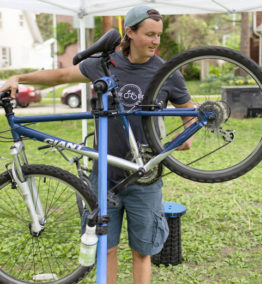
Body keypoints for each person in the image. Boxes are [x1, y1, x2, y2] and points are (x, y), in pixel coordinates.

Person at [0, 5, 194, 284]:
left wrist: (183, 139)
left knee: (142, 252)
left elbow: (189, 112)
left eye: (159, 35)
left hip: (144, 179)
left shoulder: (166, 72)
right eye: (149, 34)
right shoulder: (104, 64)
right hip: (103, 176)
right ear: (130, 32)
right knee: (106, 247)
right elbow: (62, 76)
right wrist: (20, 78)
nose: (155, 41)